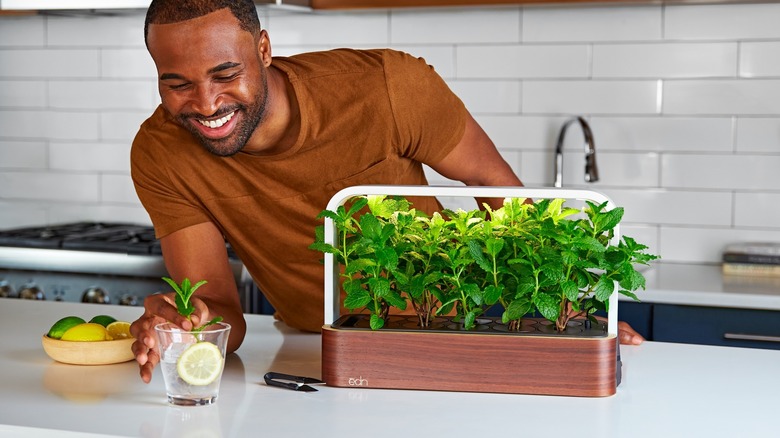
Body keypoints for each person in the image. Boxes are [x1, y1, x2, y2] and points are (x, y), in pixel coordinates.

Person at [129, 0, 644, 383]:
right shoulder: (161, 152)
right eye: (177, 85)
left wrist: (570, 309)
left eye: (226, 73)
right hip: (315, 348)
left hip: (449, 328)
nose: (205, 102)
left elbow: (491, 184)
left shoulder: (387, 86)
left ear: (263, 50)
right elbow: (221, 309)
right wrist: (190, 328)